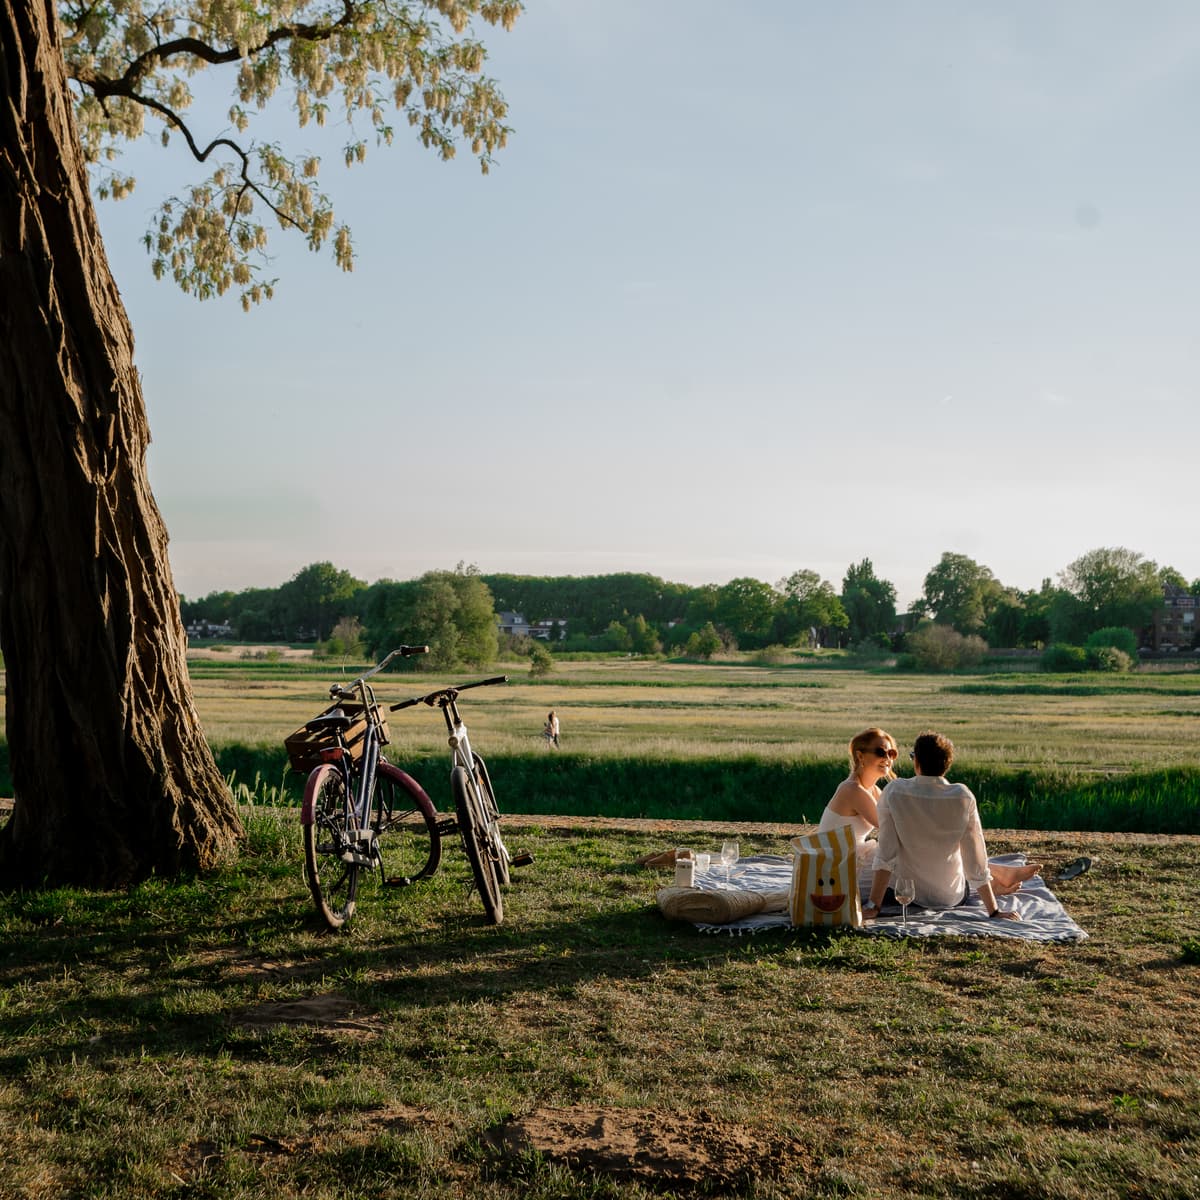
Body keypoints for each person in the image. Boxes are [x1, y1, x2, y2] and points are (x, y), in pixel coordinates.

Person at [864, 730, 1037, 922]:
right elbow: (975, 860)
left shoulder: (894, 791)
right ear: (947, 765)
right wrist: (994, 912)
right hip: (951, 898)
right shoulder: (963, 796)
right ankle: (1001, 880)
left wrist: (874, 906)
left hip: (908, 896)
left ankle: (1002, 879)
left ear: (916, 761)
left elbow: (886, 853)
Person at [817, 727, 897, 889]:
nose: (887, 758)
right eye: (881, 752)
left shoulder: (874, 791)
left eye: (892, 753)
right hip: (836, 867)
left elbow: (895, 818)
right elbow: (888, 825)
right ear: (860, 755)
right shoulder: (852, 789)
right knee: (898, 863)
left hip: (853, 856)